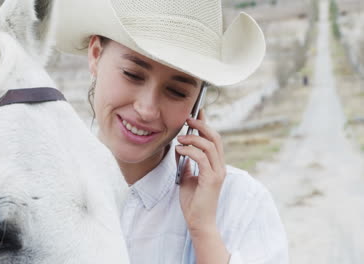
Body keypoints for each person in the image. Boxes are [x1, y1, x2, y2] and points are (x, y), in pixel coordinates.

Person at [52, 0, 288, 263]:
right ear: (95, 54)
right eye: (132, 74)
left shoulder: (241, 203)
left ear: (198, 101)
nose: (147, 109)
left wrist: (204, 231)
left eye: (177, 92)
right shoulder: (38, 186)